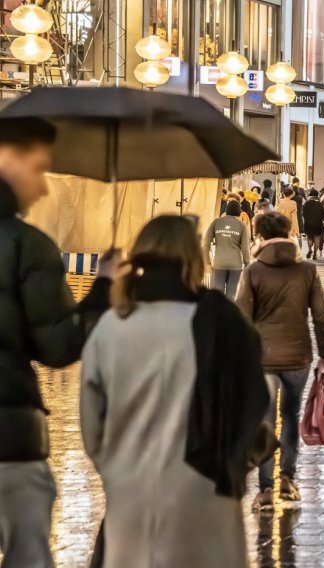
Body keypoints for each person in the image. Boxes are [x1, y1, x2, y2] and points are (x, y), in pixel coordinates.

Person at [81, 216, 270, 568]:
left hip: (131, 495)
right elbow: (255, 400)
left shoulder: (111, 326)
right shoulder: (224, 320)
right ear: (194, 256)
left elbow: (92, 429)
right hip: (207, 493)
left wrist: (118, 471)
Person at [0, 118, 120, 568]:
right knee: (27, 553)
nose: (42, 188)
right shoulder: (25, 245)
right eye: (37, 169)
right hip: (9, 443)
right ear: (6, 157)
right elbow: (60, 345)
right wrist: (104, 286)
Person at [237, 212, 324, 512]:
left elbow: (242, 318)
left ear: (261, 236)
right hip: (298, 356)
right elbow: (321, 315)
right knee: (291, 415)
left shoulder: (253, 271)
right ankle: (288, 480)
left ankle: (265, 491)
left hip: (262, 358)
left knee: (265, 420)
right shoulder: (306, 270)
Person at [203, 200, 250, 299]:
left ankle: (218, 314)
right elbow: (245, 249)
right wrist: (247, 264)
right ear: (239, 211)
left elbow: (206, 243)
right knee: (231, 295)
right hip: (235, 264)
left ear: (226, 210)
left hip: (219, 263)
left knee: (217, 294)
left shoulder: (216, 222)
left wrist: (207, 262)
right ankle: (229, 313)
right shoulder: (242, 225)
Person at [302, 189, 324, 260]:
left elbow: (303, 214)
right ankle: (315, 254)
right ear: (317, 196)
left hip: (308, 223)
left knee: (309, 238)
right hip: (318, 223)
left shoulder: (306, 204)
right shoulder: (320, 204)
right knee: (317, 238)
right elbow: (323, 215)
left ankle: (310, 249)